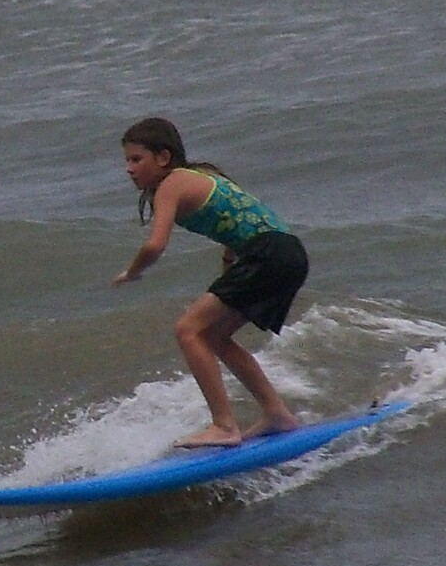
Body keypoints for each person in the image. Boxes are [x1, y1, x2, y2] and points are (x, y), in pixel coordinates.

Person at [112, 116, 309, 447]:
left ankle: (224, 426)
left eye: (136, 159)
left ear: (163, 157)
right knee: (213, 336)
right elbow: (236, 220)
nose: (129, 169)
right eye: (127, 161)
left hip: (268, 254)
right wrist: (229, 268)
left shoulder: (173, 183)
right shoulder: (201, 176)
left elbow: (155, 245)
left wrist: (132, 272)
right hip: (287, 253)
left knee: (187, 330)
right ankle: (277, 415)